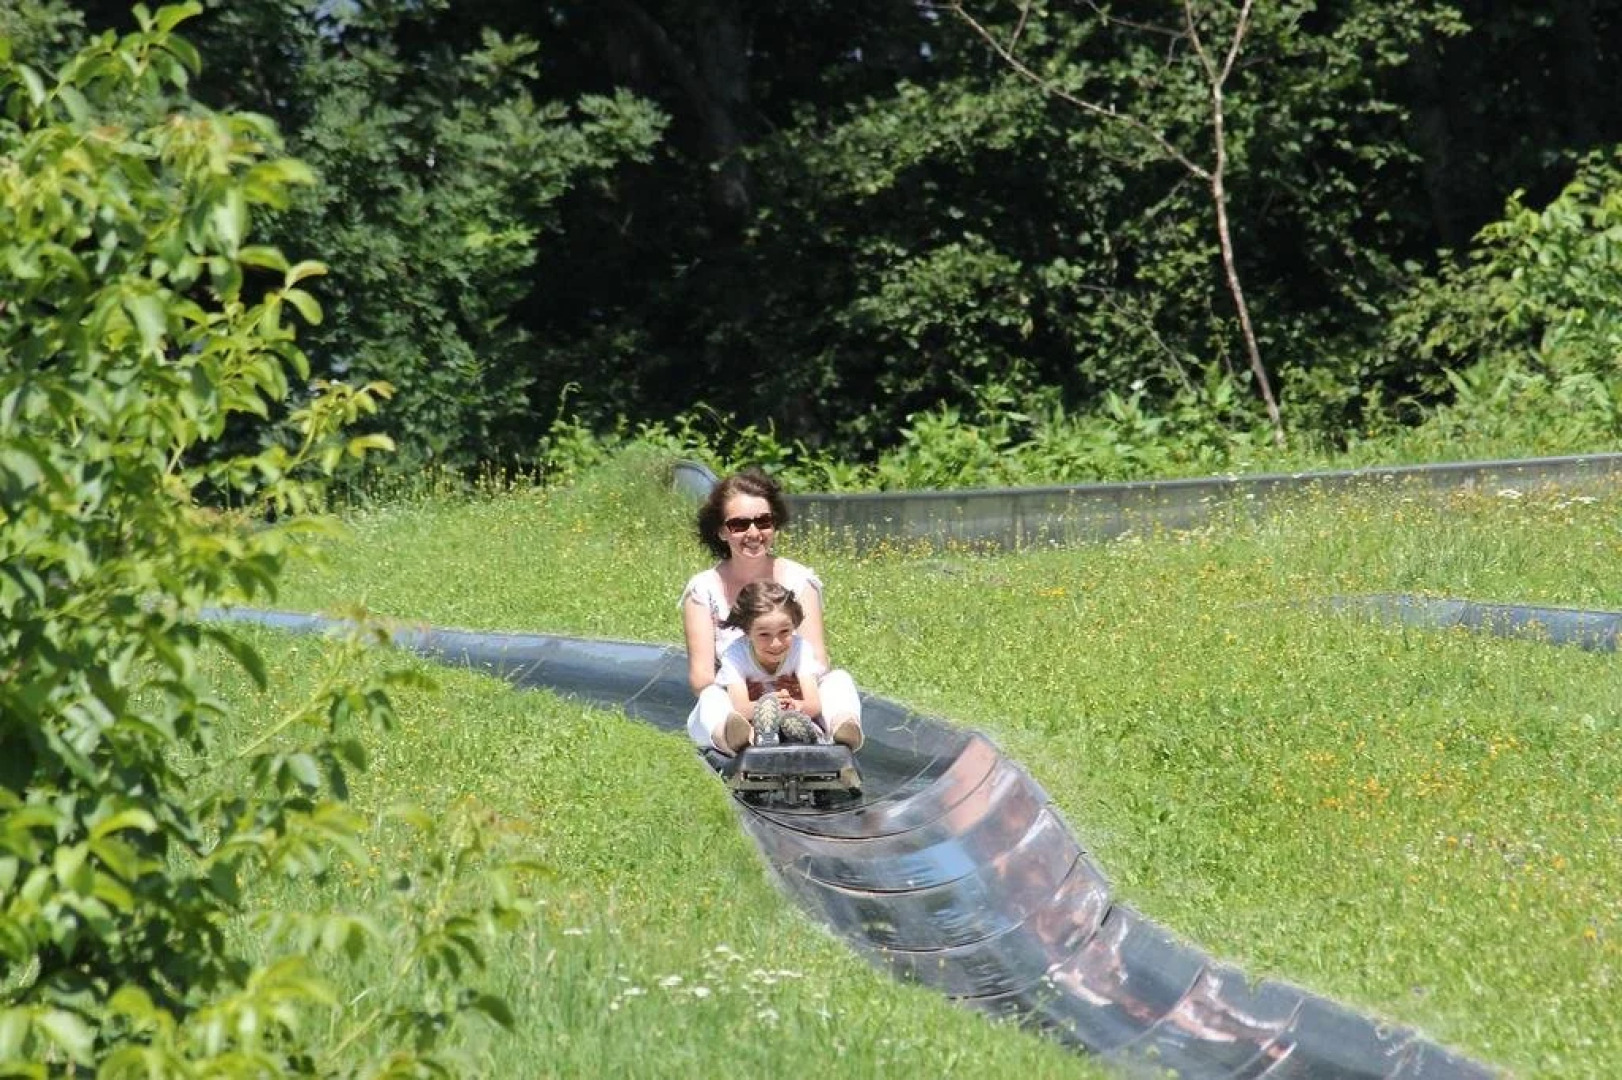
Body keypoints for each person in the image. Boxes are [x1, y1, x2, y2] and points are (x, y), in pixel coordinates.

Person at [681, 467, 863, 755]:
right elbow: (701, 677)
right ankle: (738, 737)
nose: (754, 533)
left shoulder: (799, 580)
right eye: (739, 525)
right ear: (722, 531)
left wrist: (784, 697)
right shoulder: (703, 589)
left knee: (838, 680)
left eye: (763, 522)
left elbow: (817, 661)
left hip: (797, 697)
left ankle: (841, 730)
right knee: (710, 697)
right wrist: (751, 696)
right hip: (736, 698)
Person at [714, 581, 823, 743]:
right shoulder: (735, 654)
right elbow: (740, 708)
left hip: (793, 713)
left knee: (839, 678)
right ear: (747, 632)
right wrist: (768, 705)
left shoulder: (800, 649)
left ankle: (834, 727)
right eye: (764, 635)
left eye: (784, 631)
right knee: (710, 695)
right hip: (751, 719)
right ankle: (747, 737)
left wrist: (792, 705)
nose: (776, 643)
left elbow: (814, 705)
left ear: (794, 626)